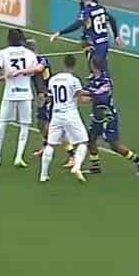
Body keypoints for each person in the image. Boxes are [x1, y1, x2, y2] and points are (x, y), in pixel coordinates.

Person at [0, 27, 43, 168]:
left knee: (3, 124)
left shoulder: (2, 53)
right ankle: (18, 157)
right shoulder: (30, 54)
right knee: (24, 125)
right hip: (25, 93)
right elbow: (36, 74)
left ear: (8, 39)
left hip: (10, 94)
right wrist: (40, 92)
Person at [80, 60, 139, 177]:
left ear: (93, 66)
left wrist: (89, 97)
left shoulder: (105, 80)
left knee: (114, 145)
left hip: (108, 117)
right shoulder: (94, 80)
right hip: (98, 117)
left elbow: (102, 97)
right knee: (91, 139)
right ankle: (95, 166)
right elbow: (86, 91)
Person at [40, 55, 90, 183]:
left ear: (63, 64)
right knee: (83, 142)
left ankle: (43, 174)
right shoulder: (74, 80)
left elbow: (50, 97)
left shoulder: (53, 79)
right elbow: (81, 98)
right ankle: (77, 166)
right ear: (74, 66)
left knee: (50, 144)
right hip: (70, 114)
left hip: (56, 114)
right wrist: (95, 97)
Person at [54, 0, 120, 70]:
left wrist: (60, 32)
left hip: (96, 44)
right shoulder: (100, 8)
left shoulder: (87, 11)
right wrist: (116, 36)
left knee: (99, 70)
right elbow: (112, 20)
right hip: (104, 43)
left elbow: (77, 25)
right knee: (101, 70)